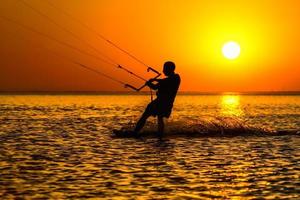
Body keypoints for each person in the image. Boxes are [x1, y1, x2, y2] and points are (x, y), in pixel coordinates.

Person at [133, 61, 181, 139]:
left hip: (165, 103)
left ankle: (157, 134)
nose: (163, 71)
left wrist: (155, 80)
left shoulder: (176, 77)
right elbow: (155, 87)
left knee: (157, 116)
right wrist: (149, 84)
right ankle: (137, 132)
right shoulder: (165, 80)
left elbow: (167, 81)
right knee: (148, 116)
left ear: (170, 69)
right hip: (159, 102)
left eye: (165, 69)